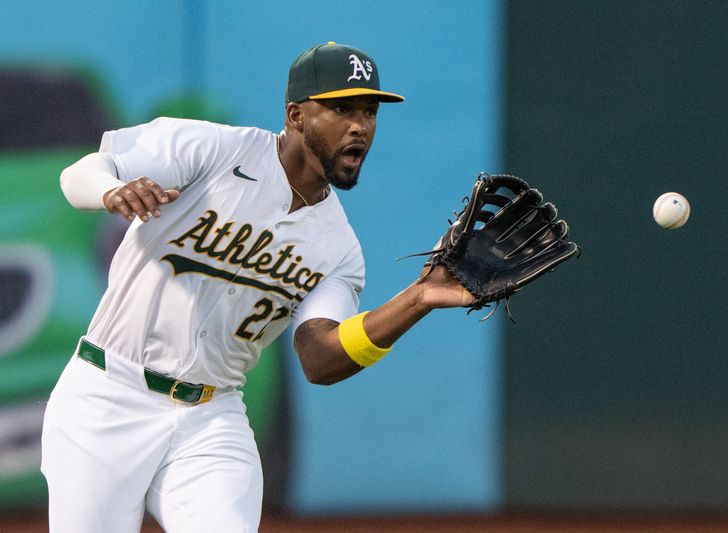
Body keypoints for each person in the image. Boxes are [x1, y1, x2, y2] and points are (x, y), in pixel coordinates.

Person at [42, 41, 472, 533]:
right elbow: (81, 172)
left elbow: (320, 358)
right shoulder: (213, 150)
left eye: (369, 112)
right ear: (295, 114)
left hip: (210, 417)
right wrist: (110, 190)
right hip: (107, 395)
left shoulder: (339, 248)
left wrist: (416, 299)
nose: (360, 126)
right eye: (341, 108)